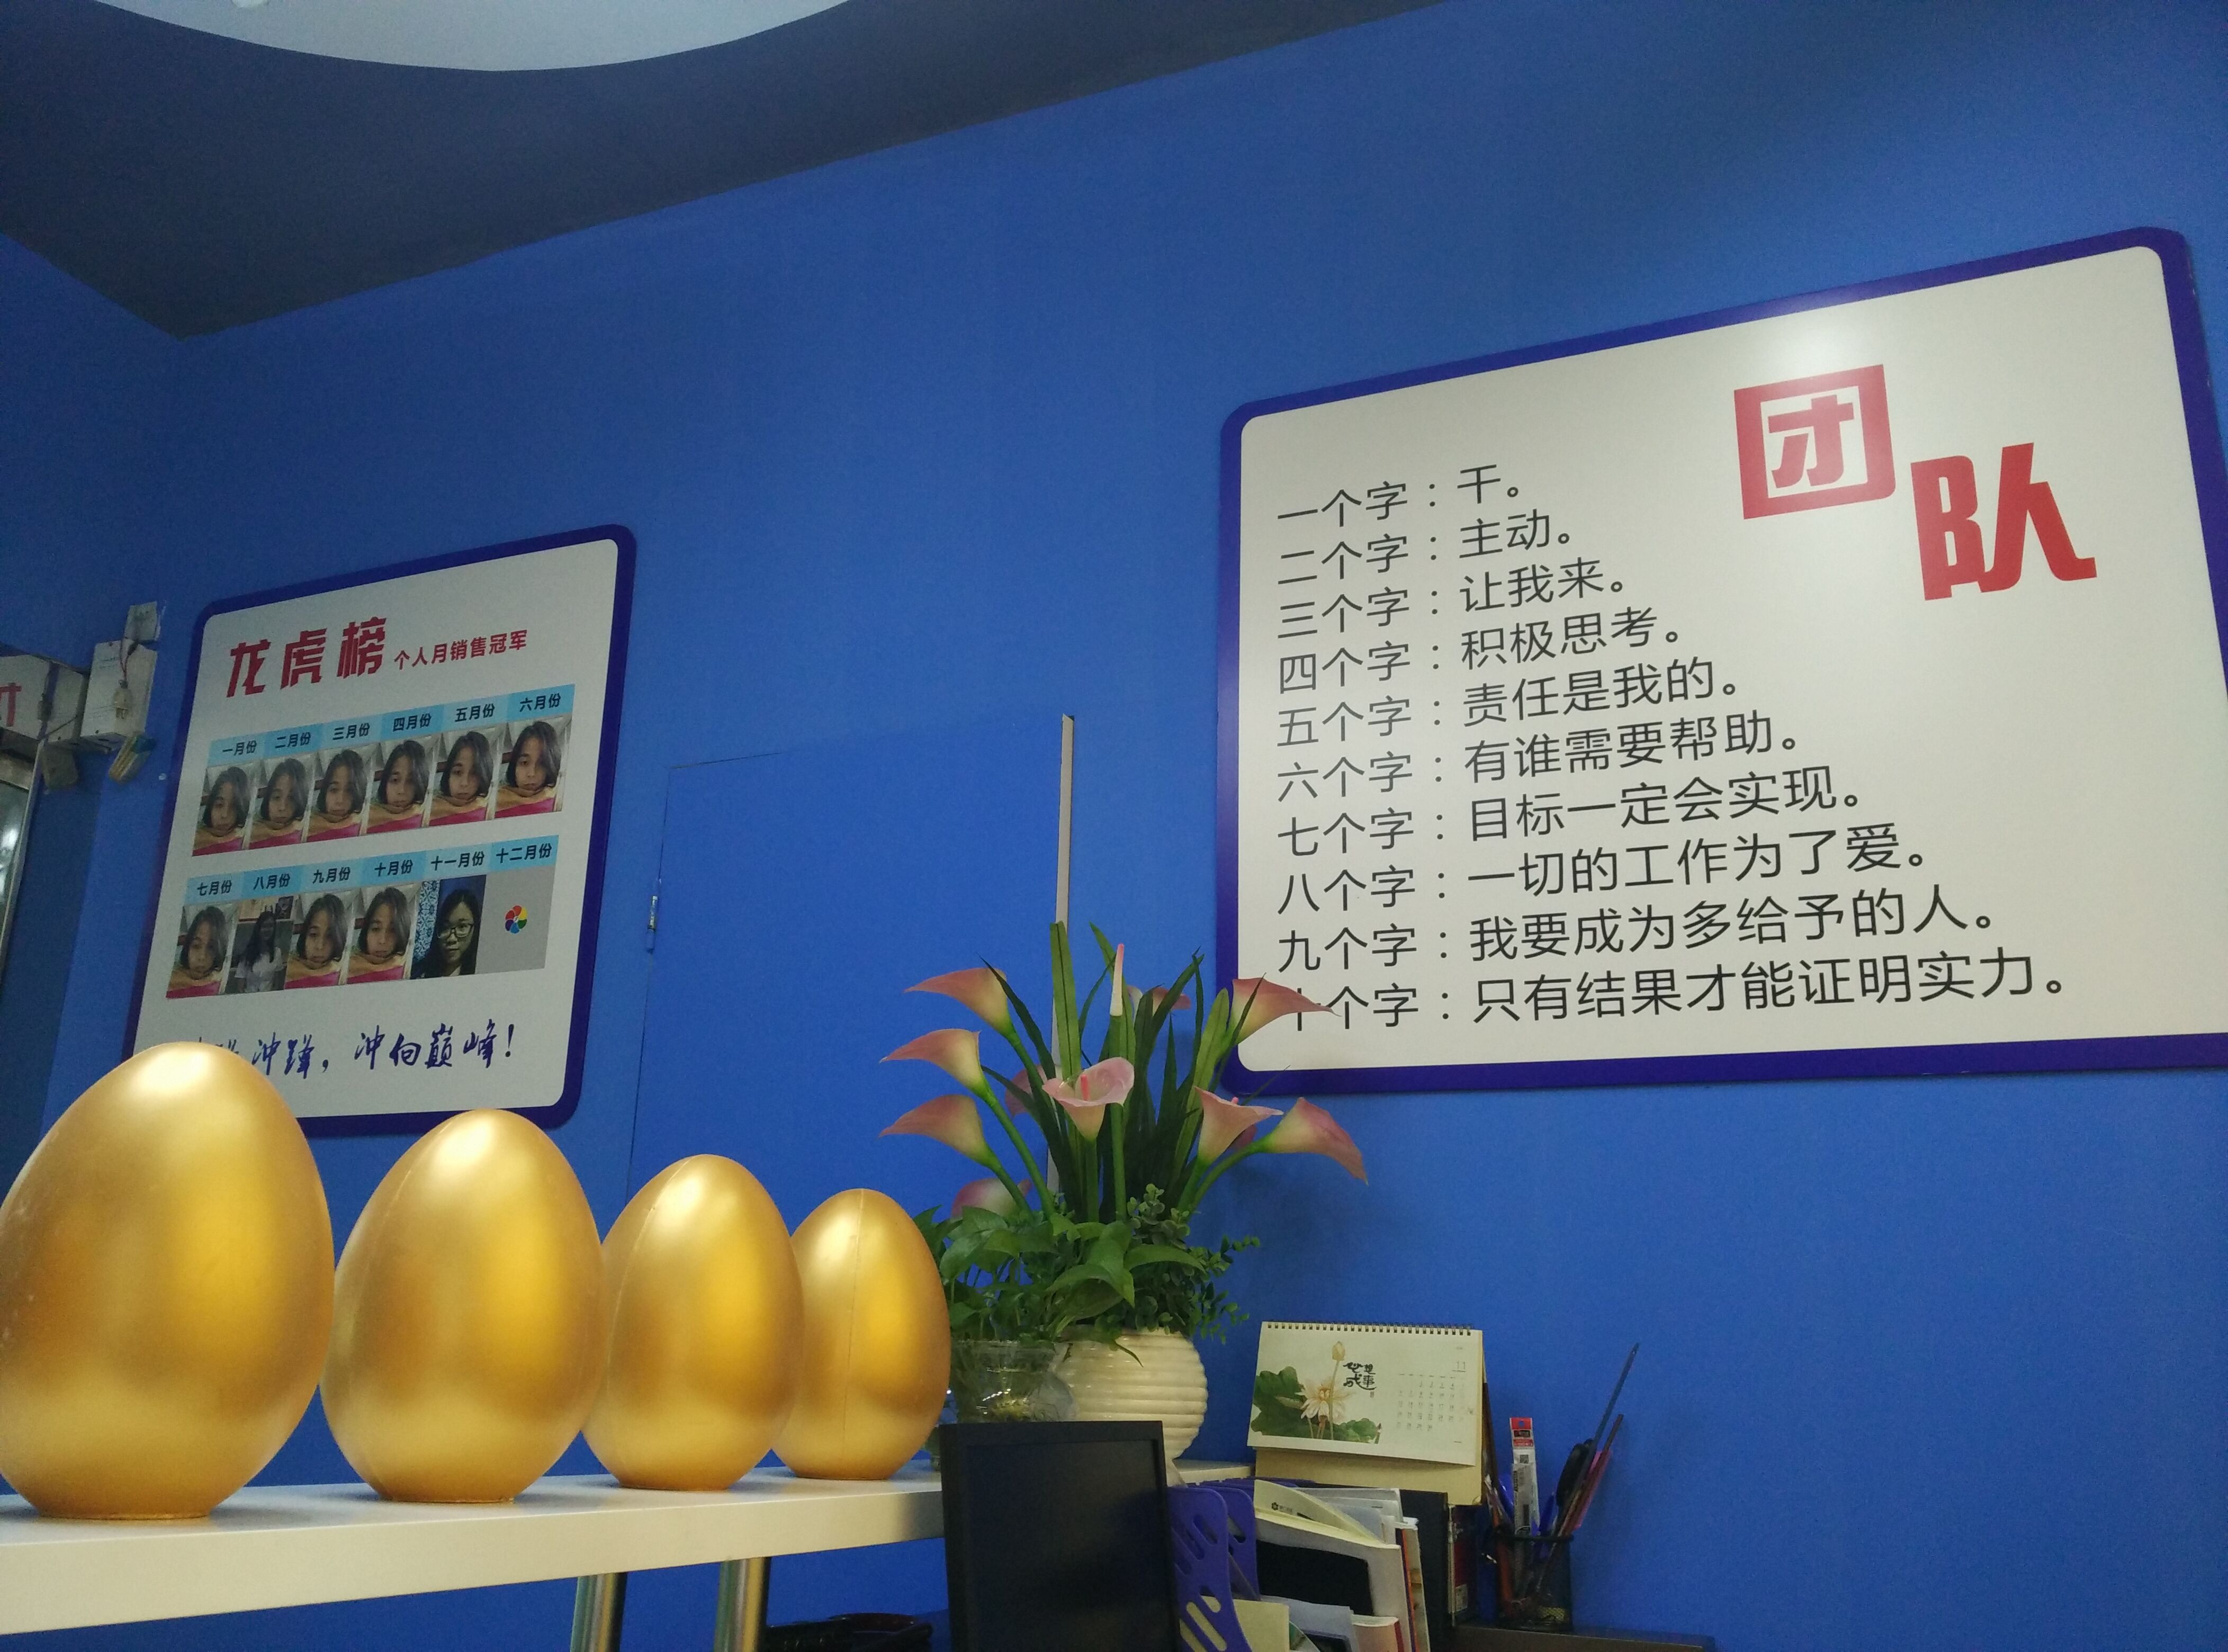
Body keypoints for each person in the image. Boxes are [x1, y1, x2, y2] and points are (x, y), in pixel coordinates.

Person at [495, 721, 562, 818]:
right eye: (525, 763)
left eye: (542, 764)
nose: (531, 774)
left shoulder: (559, 803)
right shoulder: (493, 803)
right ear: (514, 765)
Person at [412, 884, 481, 978]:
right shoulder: (418, 972)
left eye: (462, 927)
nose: (451, 939)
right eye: (445, 928)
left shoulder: (482, 974)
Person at [346, 886, 412, 983]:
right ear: (366, 931)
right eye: (376, 929)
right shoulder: (344, 967)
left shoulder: (409, 969)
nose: (382, 940)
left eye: (393, 930)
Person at [429, 730, 493, 825]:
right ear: (448, 774)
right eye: (458, 772)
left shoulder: (491, 812)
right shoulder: (428, 813)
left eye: (474, 773)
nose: (464, 783)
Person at [286, 894, 346, 989]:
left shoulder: (344, 977)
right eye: (314, 934)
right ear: (305, 935)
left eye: (329, 937)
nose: (320, 946)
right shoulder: (287, 973)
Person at [166, 906, 228, 996]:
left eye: (211, 948)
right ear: (188, 947)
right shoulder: (165, 981)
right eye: (196, 946)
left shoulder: (216, 982)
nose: (202, 957)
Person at [308, 749, 367, 841]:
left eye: (349, 791)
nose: (340, 800)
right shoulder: (306, 828)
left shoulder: (367, 827)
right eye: (334, 790)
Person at [367, 741, 428, 833]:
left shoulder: (428, 817)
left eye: (411, 781)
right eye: (395, 780)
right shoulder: (366, 819)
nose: (401, 791)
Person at [226, 906, 286, 994]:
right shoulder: (247, 954)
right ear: (259, 929)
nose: (268, 930)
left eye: (271, 926)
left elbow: (277, 986)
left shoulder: (277, 953)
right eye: (264, 926)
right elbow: (240, 987)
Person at [250, 758, 309, 847]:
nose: (282, 808)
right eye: (277, 797)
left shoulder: (310, 830)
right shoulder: (250, 834)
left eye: (292, 798)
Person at [192, 767, 249, 854]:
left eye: (233, 807)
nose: (225, 815)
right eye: (219, 805)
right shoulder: (193, 841)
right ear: (211, 805)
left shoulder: (246, 840)